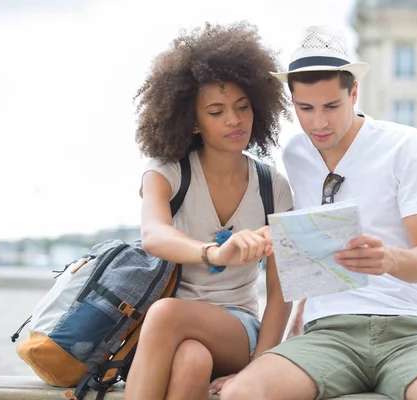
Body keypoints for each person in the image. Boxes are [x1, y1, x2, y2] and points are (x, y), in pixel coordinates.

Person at [220, 25, 417, 400]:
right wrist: (266, 353)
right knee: (241, 394)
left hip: (411, 329)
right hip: (328, 333)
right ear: (292, 103)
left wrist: (389, 259)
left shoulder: (405, 145)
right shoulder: (296, 155)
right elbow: (301, 260)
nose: (319, 123)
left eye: (332, 106)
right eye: (305, 109)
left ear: (355, 93)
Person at [124, 21, 293, 400]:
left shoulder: (273, 187)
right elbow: (154, 235)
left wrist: (258, 366)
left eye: (242, 106)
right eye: (216, 112)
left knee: (167, 314)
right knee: (191, 361)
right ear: (193, 121)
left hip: (238, 328)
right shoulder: (166, 173)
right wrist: (214, 252)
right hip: (168, 334)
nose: (234, 120)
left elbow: (282, 291)